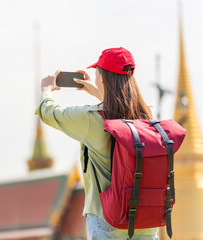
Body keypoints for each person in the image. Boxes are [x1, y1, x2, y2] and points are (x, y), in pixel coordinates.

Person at [36, 47, 158, 240]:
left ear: (103, 77)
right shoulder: (148, 118)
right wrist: (96, 92)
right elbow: (121, 113)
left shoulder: (91, 119)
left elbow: (48, 112)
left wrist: (46, 89)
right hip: (145, 221)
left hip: (107, 219)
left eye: (97, 71)